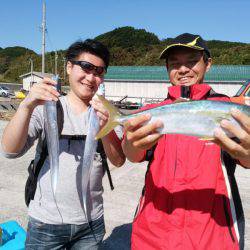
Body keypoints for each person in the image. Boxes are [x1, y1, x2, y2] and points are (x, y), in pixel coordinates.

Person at [121, 33, 250, 250]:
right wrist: (130, 145)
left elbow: (247, 160)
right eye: (175, 63)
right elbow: (132, 156)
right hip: (153, 235)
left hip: (214, 235)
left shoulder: (230, 110)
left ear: (208, 64)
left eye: (191, 61)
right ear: (167, 69)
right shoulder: (150, 113)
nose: (183, 69)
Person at [1, 39, 125, 249]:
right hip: (45, 222)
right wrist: (26, 105)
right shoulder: (46, 107)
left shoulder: (108, 113)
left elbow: (119, 160)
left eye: (99, 71)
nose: (91, 77)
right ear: (69, 67)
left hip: (91, 222)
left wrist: (107, 127)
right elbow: (10, 151)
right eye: (86, 67)